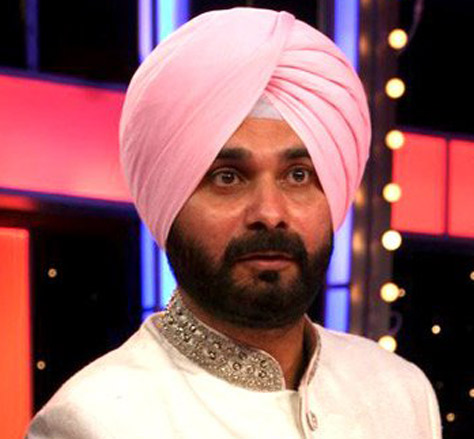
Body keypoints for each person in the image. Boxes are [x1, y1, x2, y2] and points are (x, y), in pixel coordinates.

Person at [27, 7, 442, 439]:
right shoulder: (95, 421)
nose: (270, 212)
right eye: (228, 178)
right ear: (168, 201)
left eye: (298, 175)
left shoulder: (400, 393)